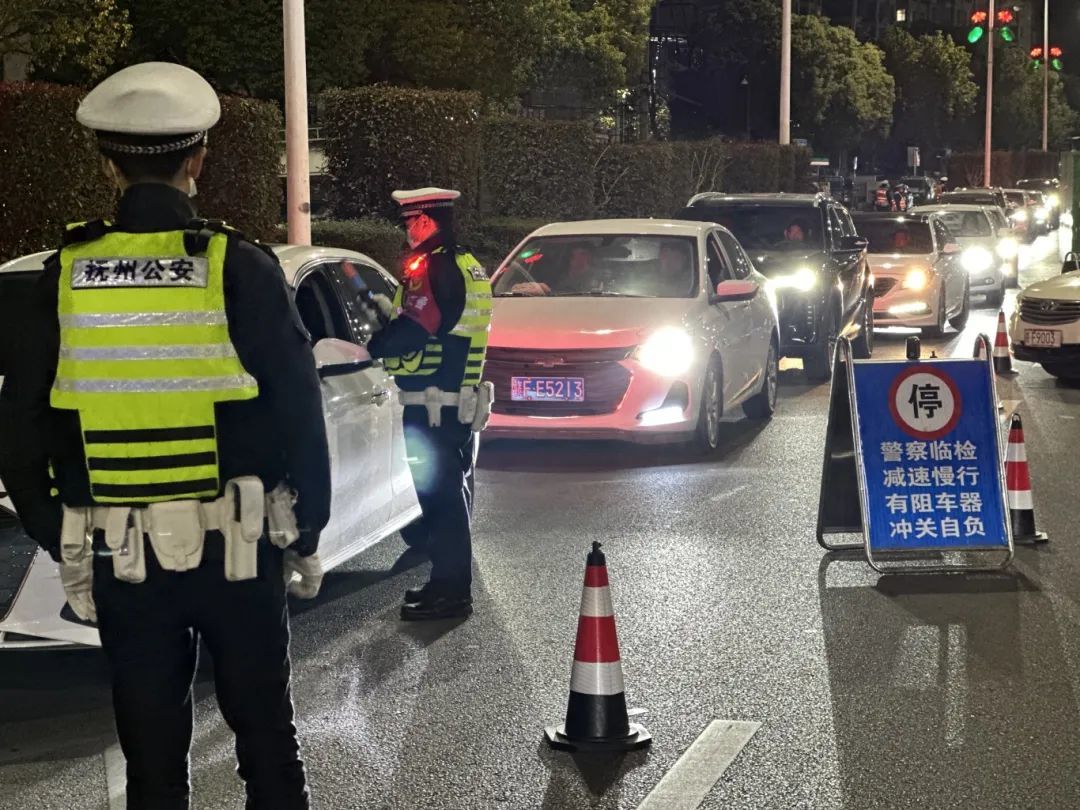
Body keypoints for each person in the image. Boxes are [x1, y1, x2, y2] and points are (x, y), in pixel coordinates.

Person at [0, 62, 331, 809]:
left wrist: (60, 536)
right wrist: (308, 525)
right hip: (240, 551)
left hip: (123, 560)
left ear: (107, 165)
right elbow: (298, 407)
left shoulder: (64, 275)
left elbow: (19, 427)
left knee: (151, 761)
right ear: (198, 160)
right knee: (267, 743)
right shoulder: (239, 266)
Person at [366, 188, 493, 621]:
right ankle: (446, 585)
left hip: (433, 405)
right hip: (455, 400)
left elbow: (418, 328)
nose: (406, 230)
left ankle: (451, 593)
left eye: (408, 221)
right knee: (450, 496)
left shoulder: (432, 265)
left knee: (440, 501)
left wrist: (372, 346)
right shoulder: (467, 263)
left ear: (424, 221)